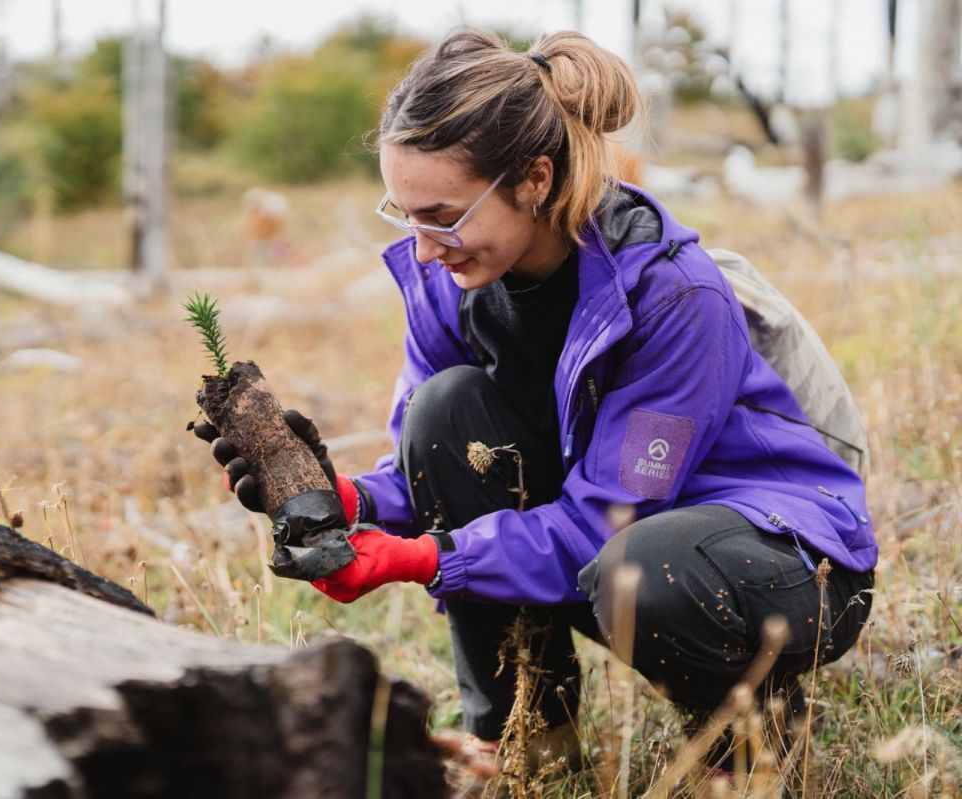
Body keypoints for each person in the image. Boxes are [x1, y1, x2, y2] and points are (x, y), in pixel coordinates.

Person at [194, 30, 876, 777]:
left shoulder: (675, 298)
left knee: (646, 568)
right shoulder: (448, 284)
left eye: (443, 215)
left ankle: (751, 741)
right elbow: (431, 465)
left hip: (779, 560)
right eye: (405, 213)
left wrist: (426, 557)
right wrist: (345, 499)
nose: (423, 248)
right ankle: (527, 740)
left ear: (534, 179)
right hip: (618, 543)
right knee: (444, 410)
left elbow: (614, 520)